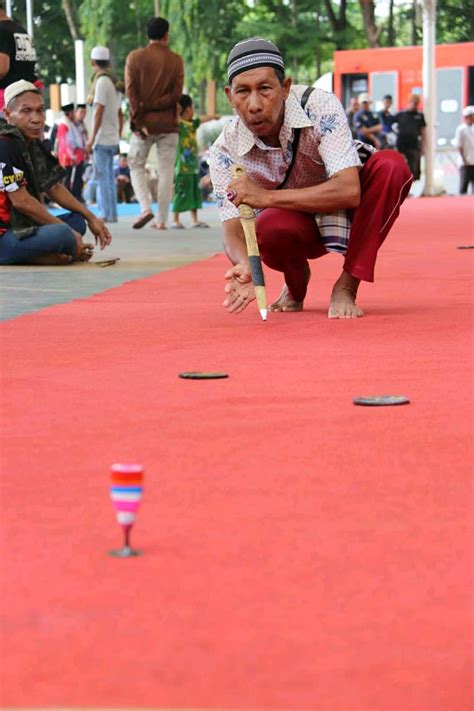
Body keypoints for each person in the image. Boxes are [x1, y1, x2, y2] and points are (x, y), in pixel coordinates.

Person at [209, 38, 413, 319]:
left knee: (392, 166)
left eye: (265, 89)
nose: (254, 104)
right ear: (230, 96)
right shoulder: (224, 150)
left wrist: (265, 197)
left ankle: (347, 285)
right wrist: (244, 264)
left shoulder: (318, 105)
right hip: (297, 223)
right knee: (268, 227)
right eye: (243, 92)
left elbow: (350, 190)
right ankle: (296, 281)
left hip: (348, 206)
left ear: (286, 88)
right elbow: (231, 229)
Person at [0, 80, 111, 265]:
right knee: (62, 234)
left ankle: (44, 254)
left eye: (40, 110)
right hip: (4, 233)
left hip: (21, 226)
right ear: (8, 115)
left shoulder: (31, 143)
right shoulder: (4, 145)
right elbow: (22, 202)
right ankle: (40, 256)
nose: (36, 119)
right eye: (26, 111)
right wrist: (67, 233)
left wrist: (91, 217)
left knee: (77, 221)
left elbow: (53, 187)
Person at [125, 16, 184, 230]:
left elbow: (131, 92)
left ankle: (145, 208)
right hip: (169, 124)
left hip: (143, 124)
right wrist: (157, 104)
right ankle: (161, 221)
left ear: (147, 36)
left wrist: (139, 117)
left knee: (136, 163)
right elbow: (177, 94)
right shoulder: (176, 60)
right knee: (166, 170)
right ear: (166, 36)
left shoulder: (134, 57)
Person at [85, 46, 122, 223]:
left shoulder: (100, 82)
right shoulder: (114, 83)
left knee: (102, 177)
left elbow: (98, 110)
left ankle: (106, 214)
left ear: (93, 63)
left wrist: (91, 139)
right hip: (113, 137)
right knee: (108, 177)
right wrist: (119, 133)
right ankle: (112, 213)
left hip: (102, 138)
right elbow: (120, 113)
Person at [171, 94, 218, 229]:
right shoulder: (178, 124)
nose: (193, 110)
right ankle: (175, 219)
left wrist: (214, 116)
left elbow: (202, 119)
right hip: (182, 167)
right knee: (181, 192)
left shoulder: (192, 124)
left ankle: (194, 220)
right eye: (192, 107)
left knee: (194, 192)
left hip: (193, 166)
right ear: (187, 109)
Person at [0, 2, 43, 113]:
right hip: (29, 97)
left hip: (8, 100)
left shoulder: (1, 30)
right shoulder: (21, 30)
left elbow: (2, 69)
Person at [393, 94, 426, 181]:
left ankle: (410, 186)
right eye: (413, 103)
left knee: (413, 168)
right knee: (400, 166)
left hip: (413, 145)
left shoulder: (420, 116)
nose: (415, 105)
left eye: (416, 104)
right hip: (401, 145)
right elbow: (389, 125)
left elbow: (423, 132)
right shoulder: (400, 115)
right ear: (409, 102)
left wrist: (423, 146)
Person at [56, 103, 84, 199]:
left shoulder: (71, 123)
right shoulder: (63, 125)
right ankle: (65, 199)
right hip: (67, 157)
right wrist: (72, 156)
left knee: (72, 178)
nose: (74, 114)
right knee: (66, 179)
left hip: (72, 155)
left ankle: (73, 197)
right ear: (69, 113)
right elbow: (65, 143)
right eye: (73, 112)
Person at [454, 105, 474, 195]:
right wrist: (464, 159)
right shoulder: (461, 129)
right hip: (465, 162)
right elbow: (459, 145)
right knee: (463, 187)